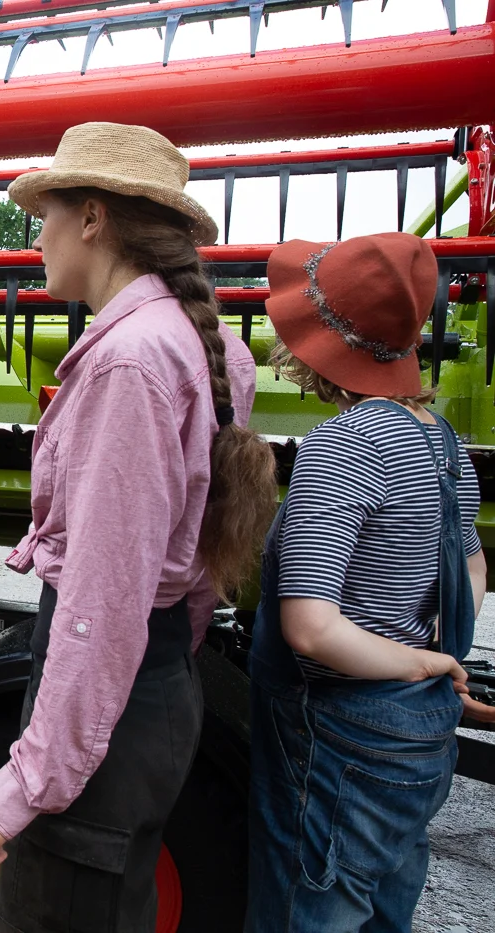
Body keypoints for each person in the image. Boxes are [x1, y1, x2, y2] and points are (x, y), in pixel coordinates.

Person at [0, 122, 278, 931]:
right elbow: (187, 577)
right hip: (156, 689)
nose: (39, 238)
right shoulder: (209, 346)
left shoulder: (129, 361)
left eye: (46, 214)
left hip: (109, 713)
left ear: (92, 217)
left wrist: (25, 781)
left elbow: (102, 598)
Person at [246, 232, 495, 931]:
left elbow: (310, 624)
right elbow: (472, 562)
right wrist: (431, 641)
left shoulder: (346, 442)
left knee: (310, 909)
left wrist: (421, 655)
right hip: (419, 733)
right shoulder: (440, 439)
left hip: (341, 735)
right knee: (386, 905)